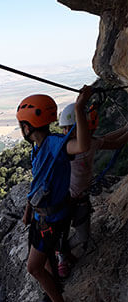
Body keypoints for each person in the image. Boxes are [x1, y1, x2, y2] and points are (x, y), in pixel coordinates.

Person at [18, 86, 92, 302]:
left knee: (34, 267)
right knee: (45, 260)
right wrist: (29, 207)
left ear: (27, 127)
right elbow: (38, 180)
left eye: (22, 125)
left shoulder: (57, 144)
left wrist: (80, 109)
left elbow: (81, 145)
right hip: (41, 215)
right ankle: (52, 295)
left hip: (54, 217)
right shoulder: (37, 149)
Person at [58, 102, 128, 260]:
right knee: (61, 234)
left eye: (68, 128)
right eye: (65, 129)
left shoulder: (88, 142)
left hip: (79, 198)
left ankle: (62, 251)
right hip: (65, 200)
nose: (65, 132)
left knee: (82, 237)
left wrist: (125, 129)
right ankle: (61, 253)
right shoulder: (67, 146)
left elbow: (106, 139)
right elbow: (114, 142)